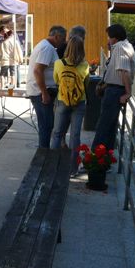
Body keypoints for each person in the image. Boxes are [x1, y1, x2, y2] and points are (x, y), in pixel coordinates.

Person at [91, 24, 135, 152]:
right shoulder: (125, 46)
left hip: (115, 92)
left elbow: (124, 71)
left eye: (109, 37)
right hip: (114, 90)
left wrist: (128, 93)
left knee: (104, 126)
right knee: (109, 127)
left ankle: (95, 157)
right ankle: (105, 157)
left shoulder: (120, 48)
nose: (108, 40)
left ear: (114, 38)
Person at [50, 36, 89, 175]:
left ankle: (52, 166)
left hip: (62, 101)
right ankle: (72, 169)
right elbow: (86, 85)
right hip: (79, 102)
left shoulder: (59, 63)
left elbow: (56, 81)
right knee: (75, 136)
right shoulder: (85, 65)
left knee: (57, 133)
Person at [26, 25, 67, 149]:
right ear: (57, 36)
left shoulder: (45, 46)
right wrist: (44, 93)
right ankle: (43, 152)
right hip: (41, 92)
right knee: (46, 125)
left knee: (47, 124)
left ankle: (44, 150)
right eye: (63, 38)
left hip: (41, 91)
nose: (64, 42)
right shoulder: (47, 48)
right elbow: (38, 71)